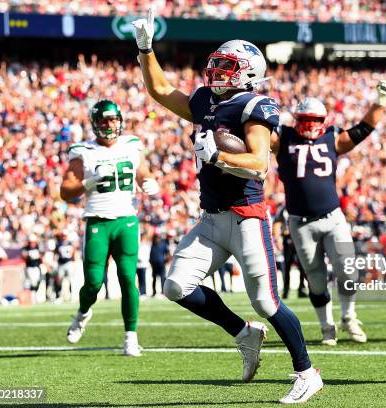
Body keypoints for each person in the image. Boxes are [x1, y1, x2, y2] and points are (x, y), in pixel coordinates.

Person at [132, 9, 322, 403]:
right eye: (216, 64)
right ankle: (243, 333)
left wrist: (218, 158)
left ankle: (307, 373)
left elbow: (259, 163)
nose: (216, 71)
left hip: (247, 218)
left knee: (267, 301)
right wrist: (146, 48)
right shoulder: (206, 100)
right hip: (212, 217)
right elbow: (161, 90)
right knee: (175, 286)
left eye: (226, 66)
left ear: (248, 72)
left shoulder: (255, 106)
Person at [270, 80, 386, 346]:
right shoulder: (283, 137)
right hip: (300, 222)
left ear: (323, 120)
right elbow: (257, 133)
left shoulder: (332, 138)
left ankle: (349, 316)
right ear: (297, 119)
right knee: (315, 278)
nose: (311, 125)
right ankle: (327, 327)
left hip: (332, 217)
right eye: (306, 119)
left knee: (347, 271)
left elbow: (363, 129)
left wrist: (380, 100)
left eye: (316, 120)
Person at [60, 99, 160, 356]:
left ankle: (131, 336)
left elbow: (144, 173)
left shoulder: (131, 144)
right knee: (93, 282)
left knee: (128, 277)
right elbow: (65, 191)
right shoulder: (83, 151)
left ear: (120, 121)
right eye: (104, 120)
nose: (109, 124)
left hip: (126, 220)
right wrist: (88, 182)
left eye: (113, 119)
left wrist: (149, 182)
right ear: (95, 123)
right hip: (97, 220)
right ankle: (82, 313)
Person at [273, 203, 307, 299]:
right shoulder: (283, 208)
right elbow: (277, 223)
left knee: (302, 265)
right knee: (286, 266)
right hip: (288, 239)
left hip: (300, 238)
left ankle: (302, 289)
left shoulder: (300, 206)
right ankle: (286, 290)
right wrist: (278, 239)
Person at [22, 235, 43, 304]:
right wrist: (28, 255)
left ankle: (34, 296)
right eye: (31, 242)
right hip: (30, 267)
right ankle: (32, 297)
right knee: (32, 282)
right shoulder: (26, 248)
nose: (32, 244)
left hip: (36, 266)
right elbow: (23, 256)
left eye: (33, 242)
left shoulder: (38, 247)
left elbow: (41, 256)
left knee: (37, 281)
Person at [55, 231, 76, 302]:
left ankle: (71, 295)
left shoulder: (70, 243)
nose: (64, 237)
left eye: (65, 235)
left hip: (69, 262)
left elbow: (73, 251)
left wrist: (74, 260)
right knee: (59, 280)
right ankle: (59, 296)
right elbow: (56, 252)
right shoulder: (58, 243)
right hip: (61, 263)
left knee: (70, 280)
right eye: (63, 235)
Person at [149, 232, 169, 297]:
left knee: (163, 278)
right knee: (154, 278)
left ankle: (163, 292)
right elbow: (151, 254)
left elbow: (167, 253)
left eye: (158, 237)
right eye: (156, 237)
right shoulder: (152, 245)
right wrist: (151, 262)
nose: (157, 239)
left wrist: (166, 261)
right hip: (154, 265)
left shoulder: (163, 244)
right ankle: (154, 292)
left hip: (161, 264)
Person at [137, 230, 151, 298]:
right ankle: (140, 292)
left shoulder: (147, 245)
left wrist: (141, 259)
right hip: (137, 265)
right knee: (138, 280)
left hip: (143, 265)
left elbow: (147, 255)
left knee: (143, 280)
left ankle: (143, 293)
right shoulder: (138, 244)